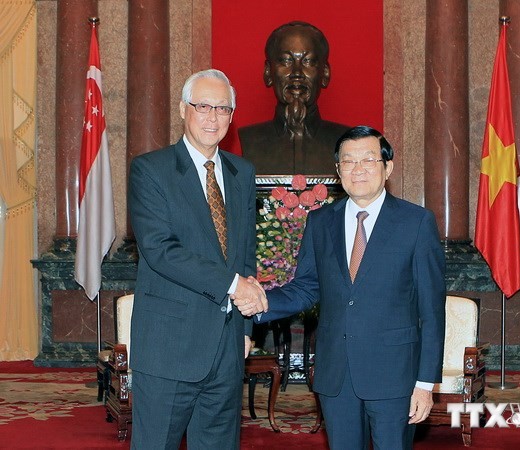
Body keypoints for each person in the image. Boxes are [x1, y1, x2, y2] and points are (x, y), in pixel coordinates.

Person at [237, 126, 446, 449]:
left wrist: (424, 384)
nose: (358, 169)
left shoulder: (416, 223)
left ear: (387, 167)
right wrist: (260, 302)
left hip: (395, 377)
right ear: (337, 171)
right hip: (336, 375)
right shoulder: (321, 222)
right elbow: (306, 287)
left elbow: (432, 311)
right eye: (348, 162)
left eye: (368, 160)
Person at [127, 69, 267, 450]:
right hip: (168, 347)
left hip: (226, 348)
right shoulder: (150, 169)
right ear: (182, 109)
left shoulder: (243, 172)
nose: (212, 116)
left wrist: (245, 329)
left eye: (222, 108)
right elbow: (161, 250)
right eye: (202, 106)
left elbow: (245, 254)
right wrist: (234, 285)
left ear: (232, 116)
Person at [238, 21, 350, 175]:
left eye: (308, 61)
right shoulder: (250, 140)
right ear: (268, 72)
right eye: (286, 61)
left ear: (325, 73)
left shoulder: (346, 142)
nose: (297, 73)